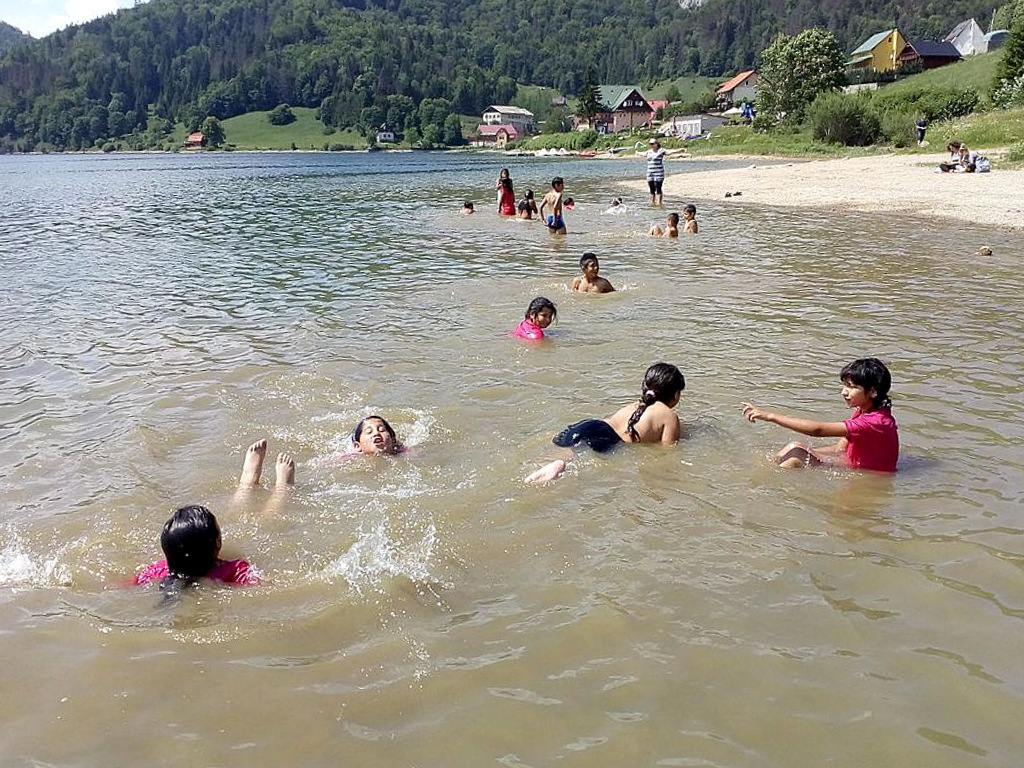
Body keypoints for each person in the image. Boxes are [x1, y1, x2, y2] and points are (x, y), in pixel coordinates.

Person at [525, 363, 684, 483]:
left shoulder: (635, 406)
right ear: (676, 394)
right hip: (607, 439)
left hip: (590, 425)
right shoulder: (669, 416)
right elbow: (667, 449)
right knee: (580, 457)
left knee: (565, 451)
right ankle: (559, 465)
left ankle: (552, 464)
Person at [741, 357, 899, 473]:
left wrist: (770, 416)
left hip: (870, 474)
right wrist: (808, 451)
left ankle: (770, 489)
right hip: (855, 463)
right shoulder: (864, 409)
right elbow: (840, 448)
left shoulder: (877, 422)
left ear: (872, 392)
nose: (844, 392)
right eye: (844, 385)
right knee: (796, 447)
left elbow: (818, 430)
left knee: (796, 455)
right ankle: (763, 474)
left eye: (852, 387)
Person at [134, 505, 260, 590]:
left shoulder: (156, 570)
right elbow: (259, 585)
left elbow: (129, 585)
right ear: (218, 543)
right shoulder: (235, 570)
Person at [646, 137, 667, 206]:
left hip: (658, 173)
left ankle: (659, 203)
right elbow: (643, 154)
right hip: (650, 173)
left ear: (656, 144)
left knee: (658, 188)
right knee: (651, 189)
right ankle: (652, 203)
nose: (651, 145)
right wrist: (637, 152)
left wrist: (680, 151)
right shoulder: (649, 151)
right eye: (650, 144)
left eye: (652, 143)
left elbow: (670, 152)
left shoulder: (661, 150)